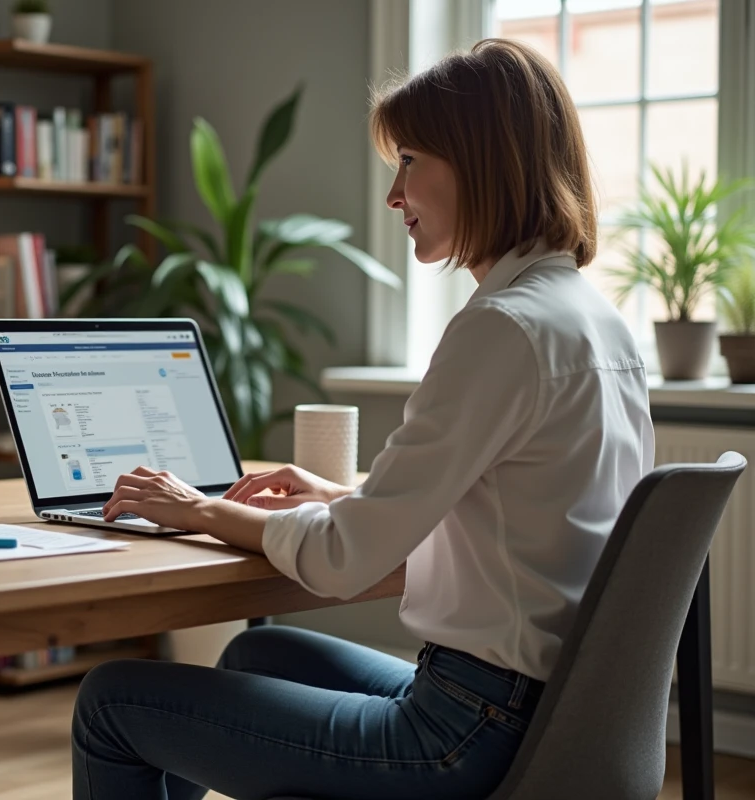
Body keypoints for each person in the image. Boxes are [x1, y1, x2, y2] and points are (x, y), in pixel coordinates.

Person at [72, 38, 655, 800]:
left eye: (409, 161)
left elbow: (342, 561)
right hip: (543, 714)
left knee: (110, 702)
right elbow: (518, 533)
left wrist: (199, 509)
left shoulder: (503, 328)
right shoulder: (595, 321)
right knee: (257, 657)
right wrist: (345, 498)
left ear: (481, 164)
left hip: (464, 736)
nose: (394, 195)